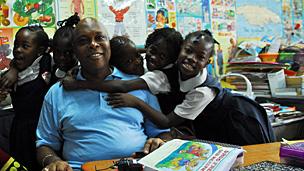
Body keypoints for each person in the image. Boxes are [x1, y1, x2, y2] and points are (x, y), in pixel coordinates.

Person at [36, 17, 171, 171]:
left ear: (109, 44)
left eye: (100, 38)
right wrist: (52, 161)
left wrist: (159, 142)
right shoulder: (57, 93)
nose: (93, 44)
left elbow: (163, 133)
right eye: (83, 41)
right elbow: (44, 144)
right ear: (74, 50)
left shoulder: (138, 85)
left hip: (136, 166)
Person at [106, 30, 276, 146]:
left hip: (238, 120)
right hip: (209, 128)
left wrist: (135, 102)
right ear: (180, 51)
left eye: (200, 56)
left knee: (252, 160)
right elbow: (126, 82)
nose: (191, 58)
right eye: (187, 51)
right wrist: (80, 83)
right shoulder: (170, 70)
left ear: (207, 63)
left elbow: (166, 121)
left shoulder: (203, 91)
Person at [62, 28, 183, 115]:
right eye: (153, 50)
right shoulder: (152, 65)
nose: (153, 57)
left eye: (162, 57)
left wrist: (78, 84)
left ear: (171, 60)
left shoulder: (159, 76)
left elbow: (123, 86)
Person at [0, 25, 52, 170]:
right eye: (16, 44)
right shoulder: (11, 75)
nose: (18, 49)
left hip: (43, 130)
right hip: (20, 131)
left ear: (39, 51)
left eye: (25, 46)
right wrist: (13, 69)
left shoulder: (46, 62)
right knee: (22, 163)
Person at [50, 13, 80, 84]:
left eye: (67, 53)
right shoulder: (50, 70)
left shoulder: (82, 75)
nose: (62, 57)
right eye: (57, 52)